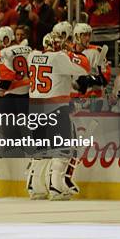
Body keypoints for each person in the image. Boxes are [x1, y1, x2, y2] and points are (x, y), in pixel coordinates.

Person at [26, 33, 90, 201]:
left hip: (35, 108)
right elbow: (84, 67)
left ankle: (35, 188)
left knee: (40, 152)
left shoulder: (32, 56)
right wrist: (71, 53)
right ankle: (55, 187)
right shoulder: (60, 57)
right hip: (56, 108)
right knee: (61, 150)